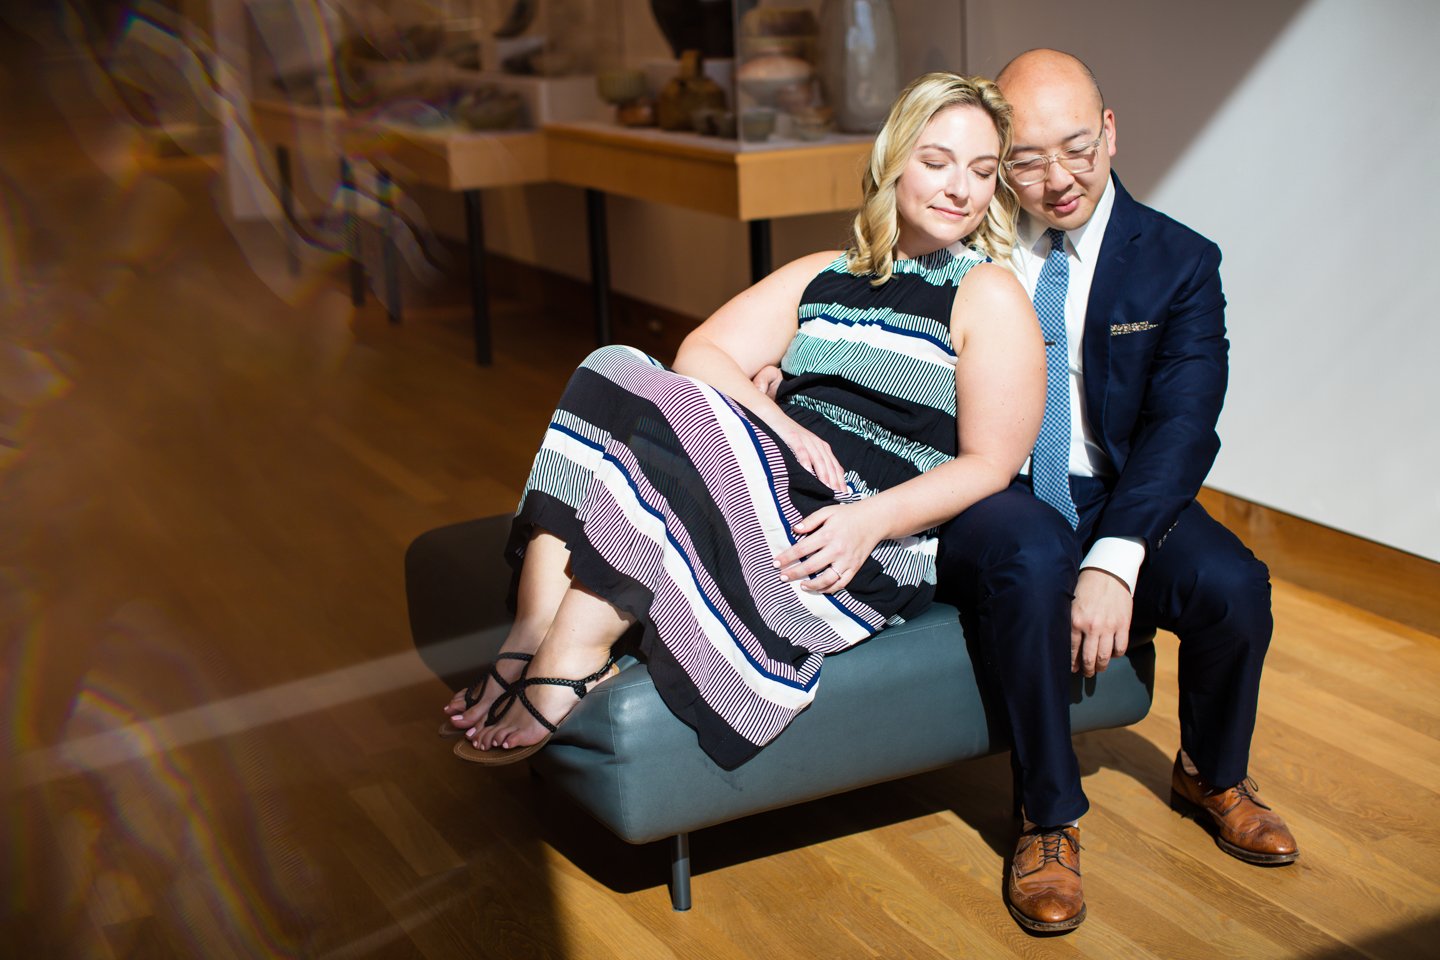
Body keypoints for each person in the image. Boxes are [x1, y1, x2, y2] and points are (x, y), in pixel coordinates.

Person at [436, 72, 1045, 771]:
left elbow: (991, 465)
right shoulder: (827, 271)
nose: (959, 188)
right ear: (893, 162)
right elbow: (702, 350)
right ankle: (532, 632)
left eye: (981, 171)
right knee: (612, 364)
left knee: (686, 412)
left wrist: (871, 521)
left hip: (849, 532)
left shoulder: (986, 292)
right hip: (771, 476)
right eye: (937, 162)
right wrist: (779, 422)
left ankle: (573, 662)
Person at [932, 49, 1298, 933]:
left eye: (1076, 150)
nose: (1056, 181)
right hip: (1001, 483)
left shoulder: (1178, 261)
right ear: (998, 161)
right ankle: (1048, 821)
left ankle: (1211, 771)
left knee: (1234, 587)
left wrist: (1118, 557)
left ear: (1109, 133)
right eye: (1025, 160)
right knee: (1030, 558)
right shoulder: (962, 245)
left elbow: (1183, 428)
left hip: (1121, 489)